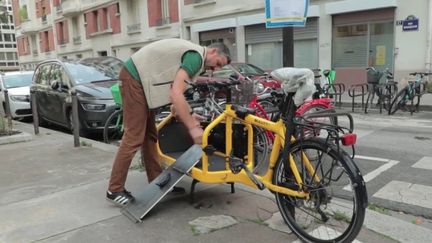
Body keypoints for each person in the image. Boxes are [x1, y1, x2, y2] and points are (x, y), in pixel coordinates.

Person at [106, 38, 231, 206]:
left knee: (150, 136)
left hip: (141, 81)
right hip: (134, 78)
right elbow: (176, 94)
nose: (215, 69)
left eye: (219, 68)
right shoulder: (195, 58)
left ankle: (157, 181)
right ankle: (114, 189)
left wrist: (190, 114)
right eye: (218, 64)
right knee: (134, 137)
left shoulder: (195, 59)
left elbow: (175, 94)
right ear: (214, 52)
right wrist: (193, 129)